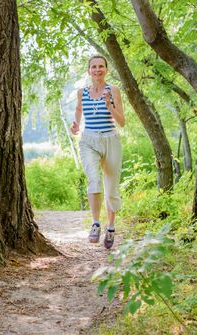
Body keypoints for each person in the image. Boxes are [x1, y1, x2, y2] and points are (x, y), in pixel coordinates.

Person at [71, 55, 125, 249]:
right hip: (89, 140)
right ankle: (95, 224)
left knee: (111, 189)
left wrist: (110, 106)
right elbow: (78, 109)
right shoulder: (82, 92)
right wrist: (75, 123)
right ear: (89, 71)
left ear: (106, 70)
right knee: (93, 179)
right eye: (93, 67)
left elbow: (122, 122)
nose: (97, 70)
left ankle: (111, 227)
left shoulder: (114, 90)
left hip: (111, 139)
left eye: (101, 66)